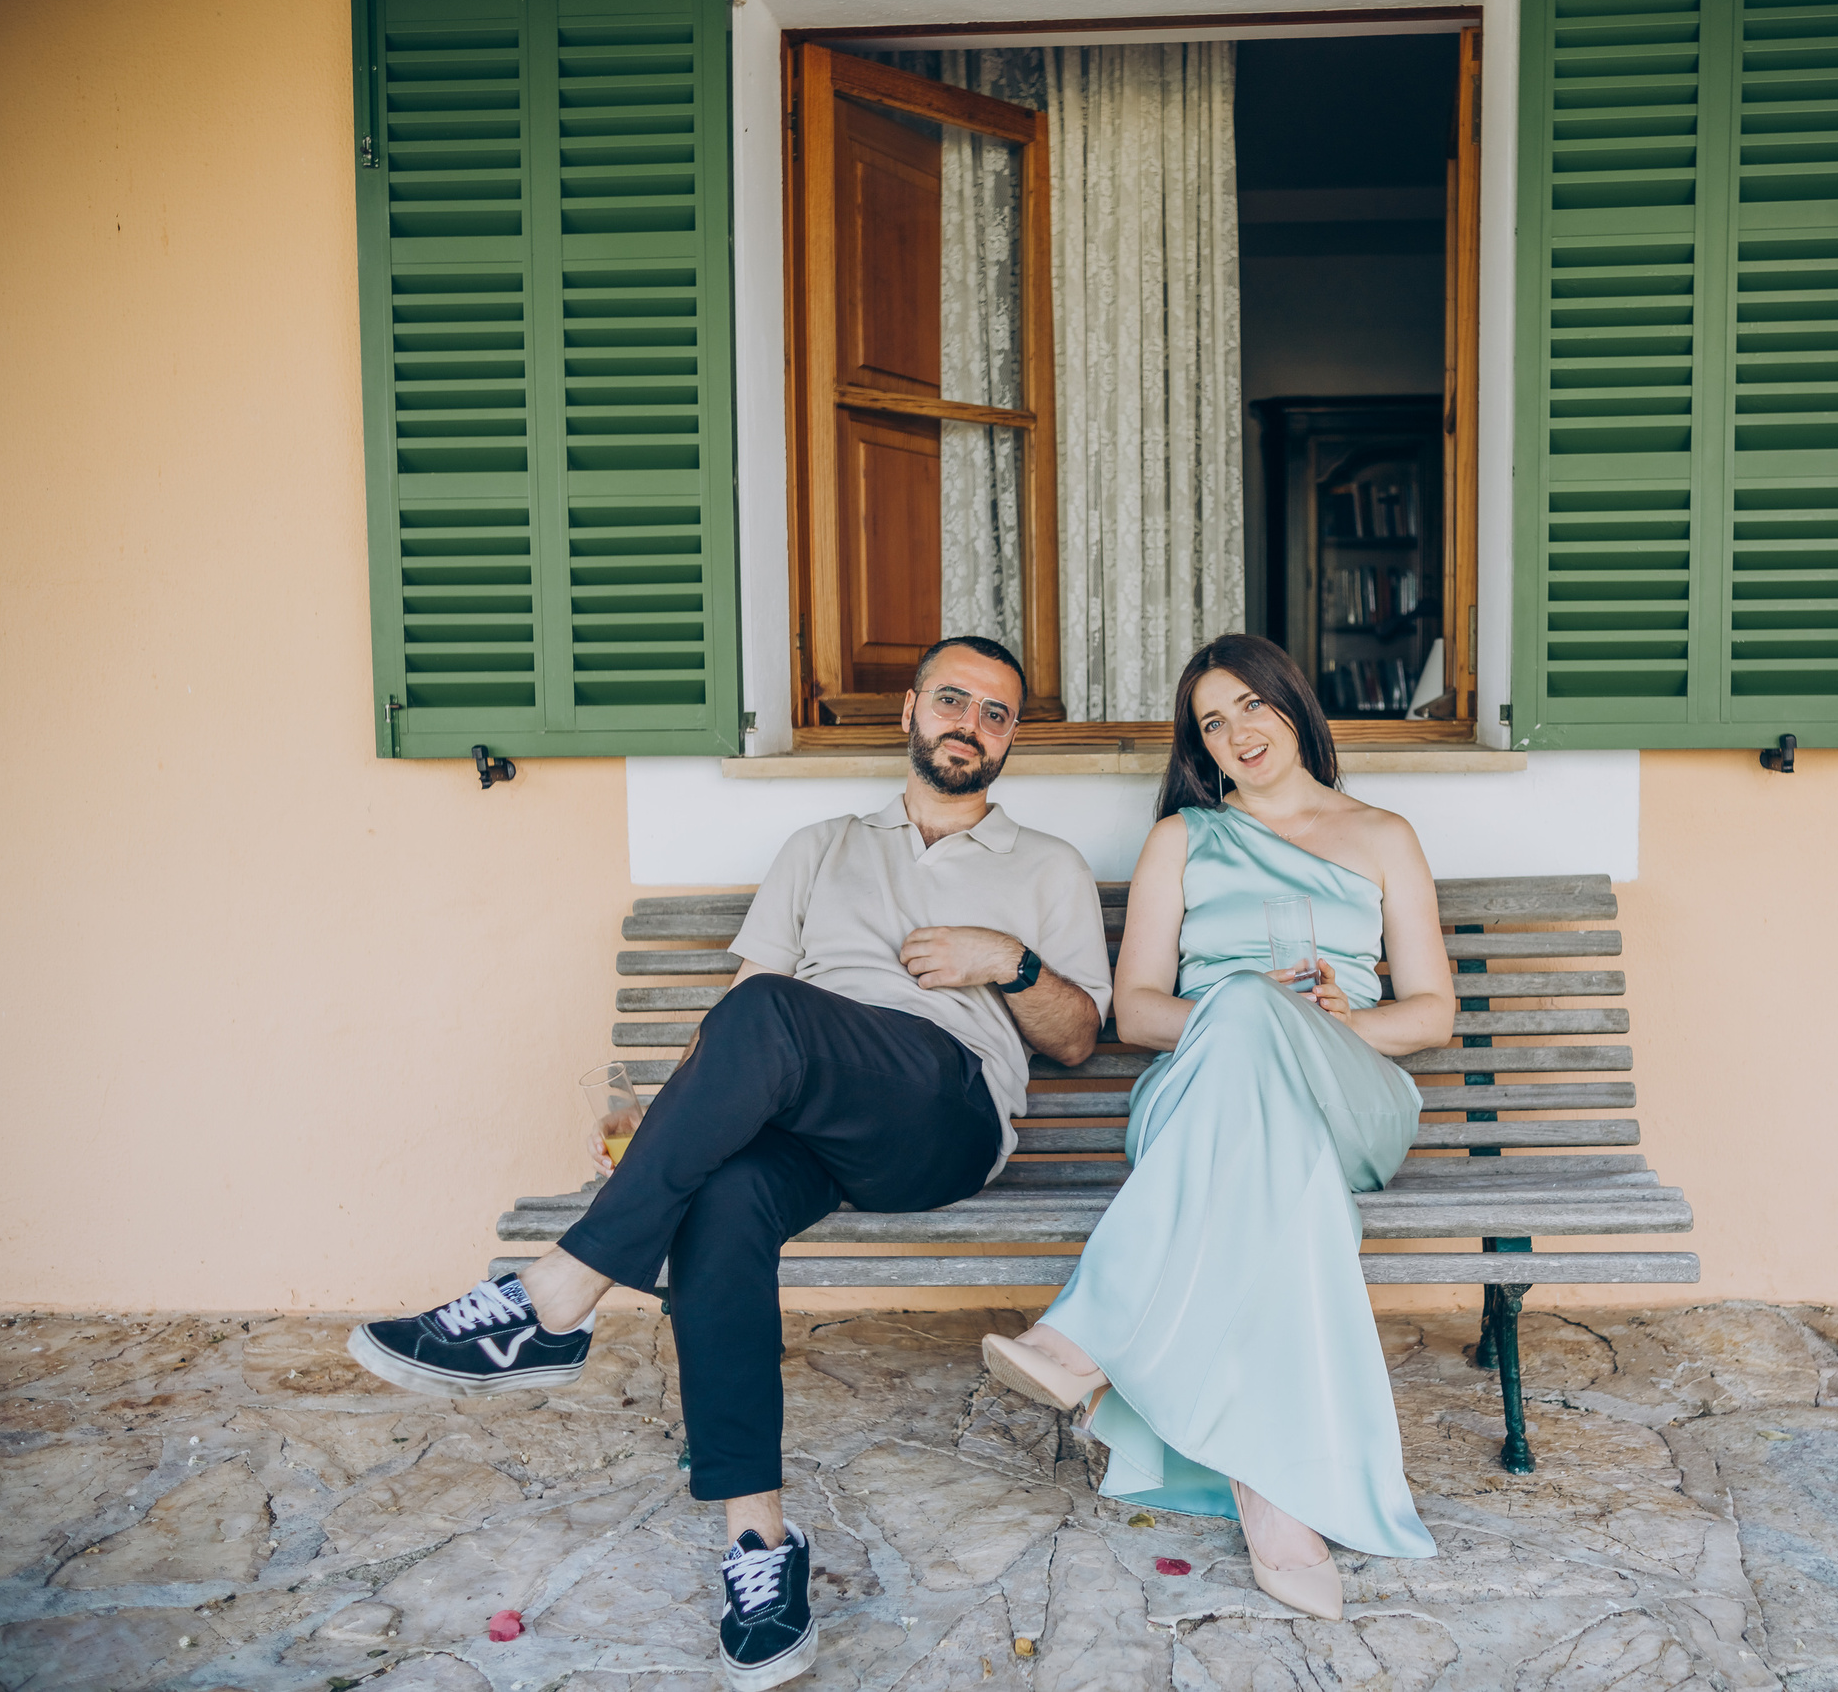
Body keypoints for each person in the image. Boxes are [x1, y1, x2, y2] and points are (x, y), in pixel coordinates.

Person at [343, 636, 1110, 1691]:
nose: (969, 724)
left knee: (770, 1021)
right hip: (806, 1124)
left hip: (940, 1115)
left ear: (1011, 738)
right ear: (909, 713)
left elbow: (1075, 1037)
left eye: (995, 713)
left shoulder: (1046, 866)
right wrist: (674, 1136)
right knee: (721, 1204)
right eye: (952, 701)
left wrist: (1006, 962)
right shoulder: (820, 847)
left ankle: (553, 1298)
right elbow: (746, 1013)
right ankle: (760, 1545)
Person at [978, 633, 1456, 1619]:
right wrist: (1249, 1016)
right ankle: (1273, 1492)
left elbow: (1433, 1013)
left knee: (1255, 1016)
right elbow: (1141, 1010)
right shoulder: (1183, 838)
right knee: (1243, 1028)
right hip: (1204, 1094)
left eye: (1251, 705)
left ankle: (1087, 1334)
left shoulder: (1383, 835)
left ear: (1291, 706)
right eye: (1212, 721)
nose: (1236, 732)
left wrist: (1330, 1022)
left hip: (1348, 1090)